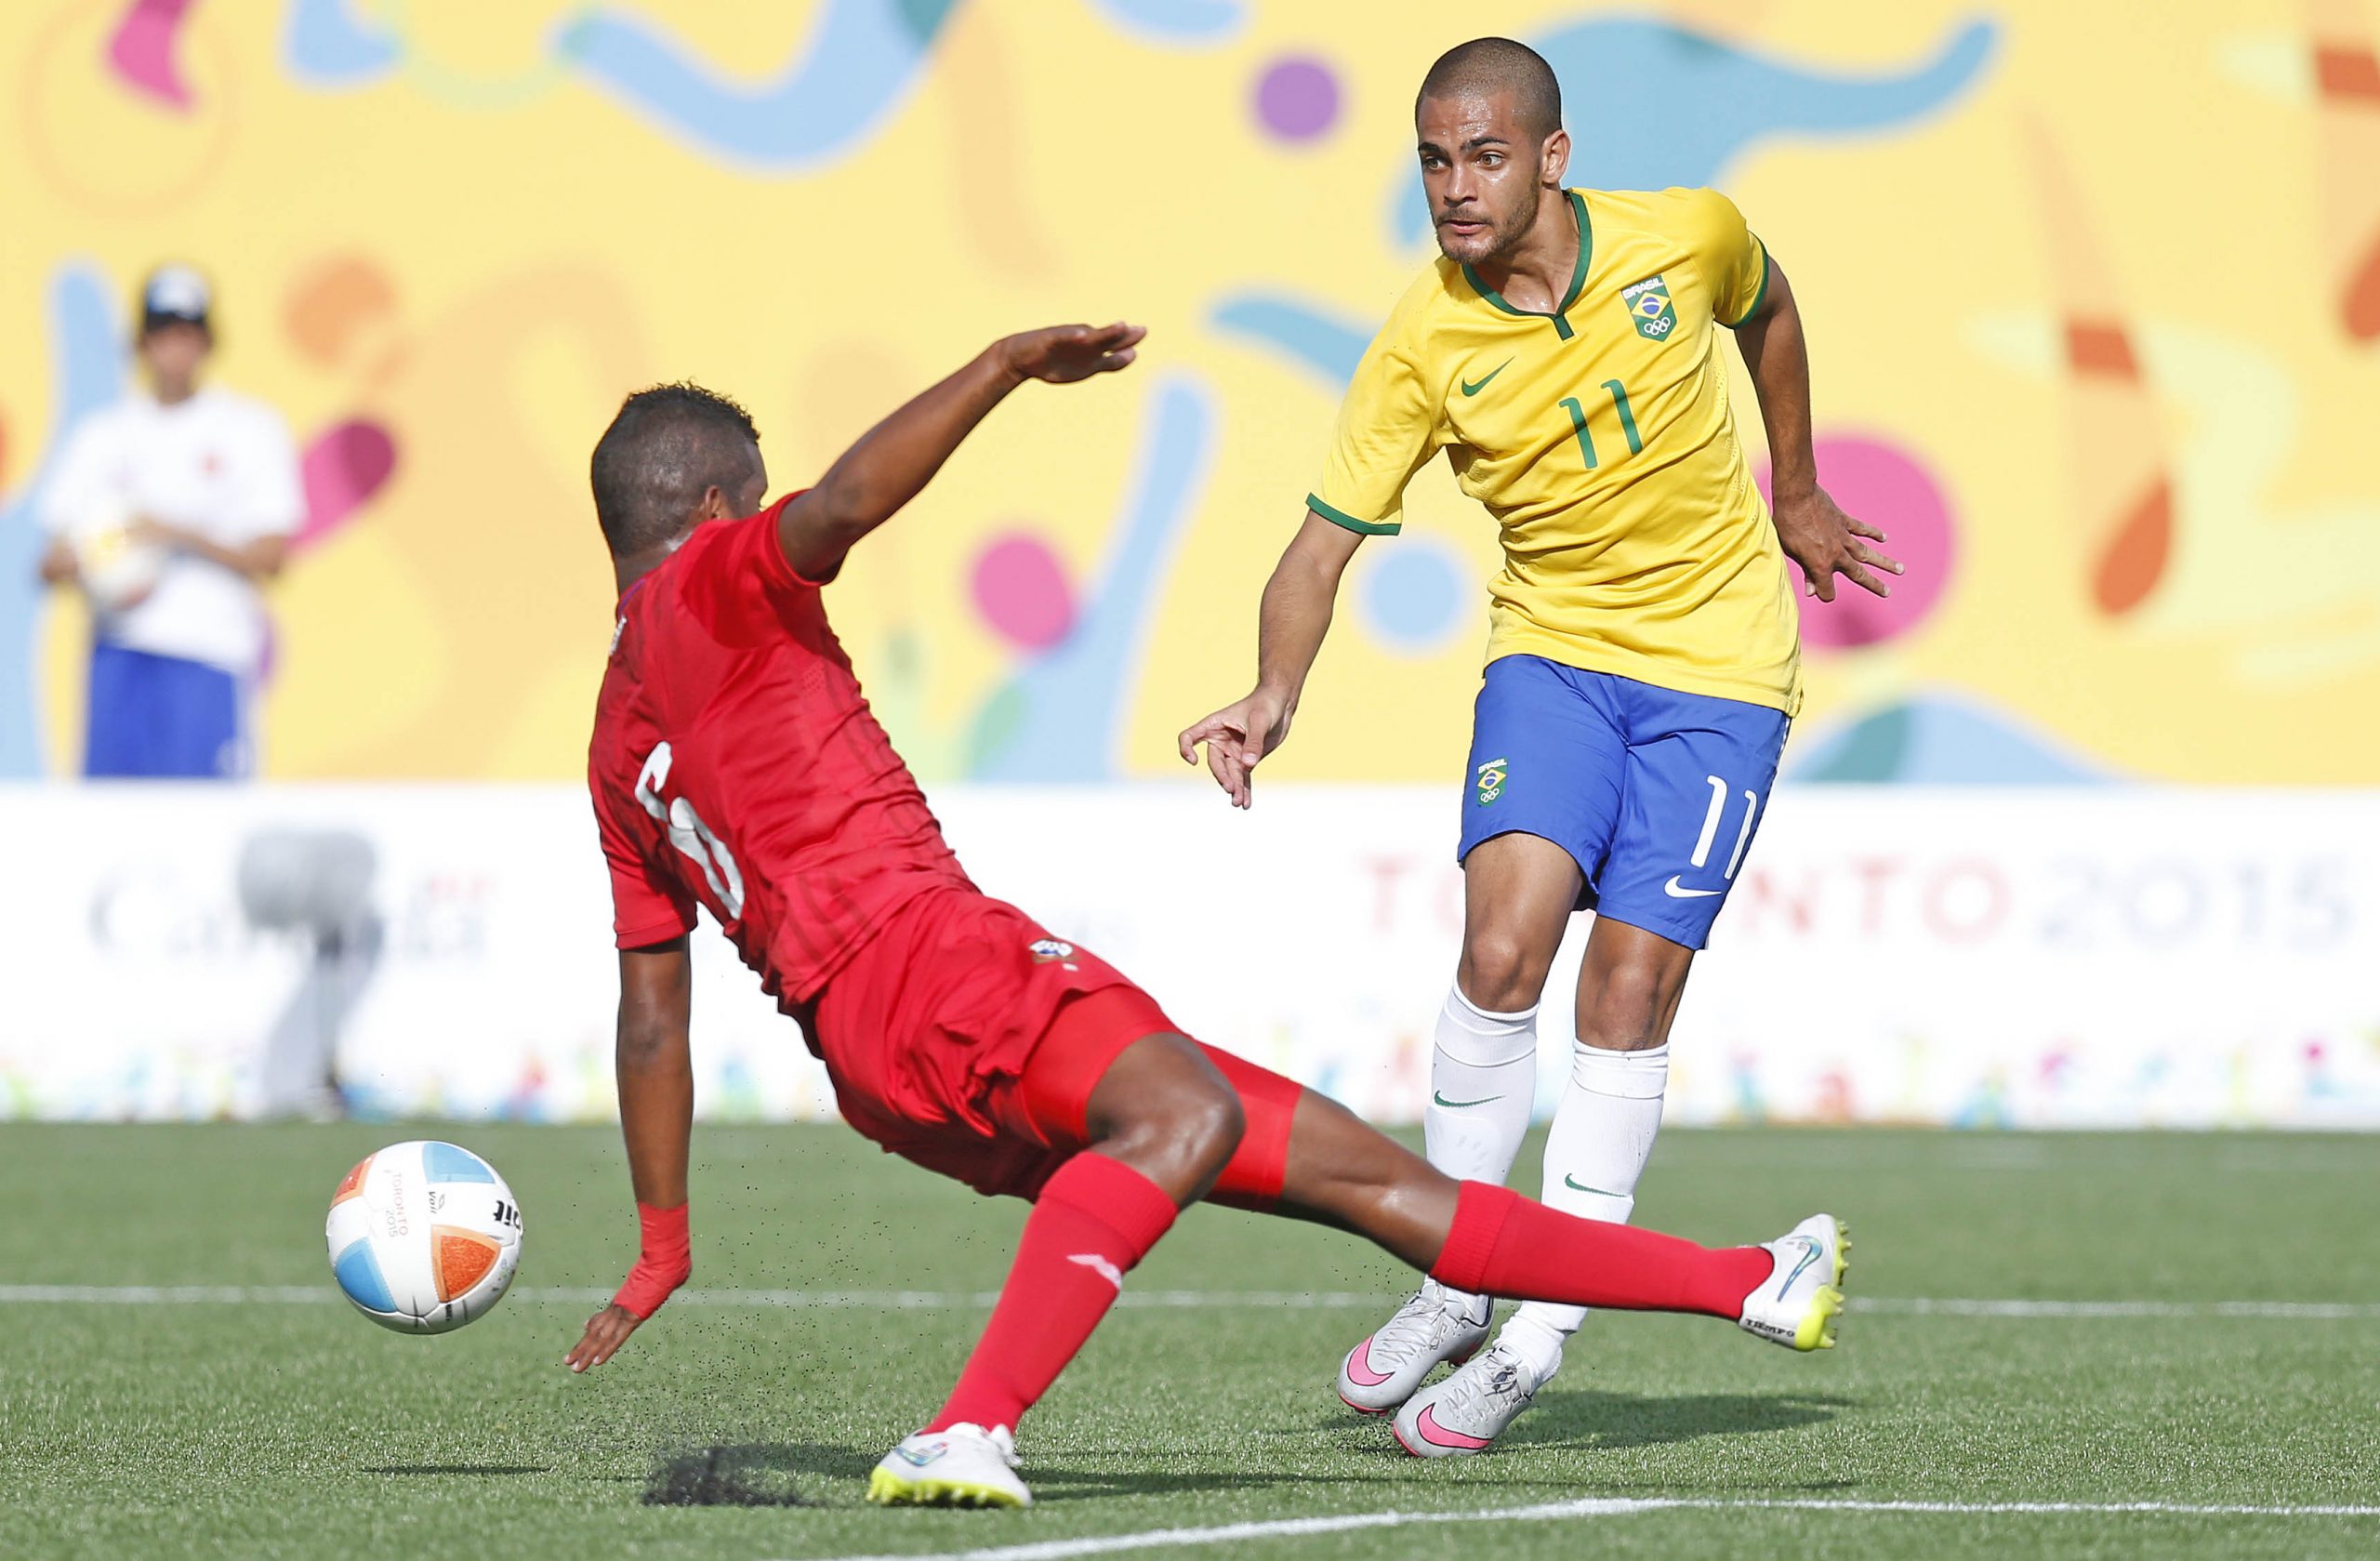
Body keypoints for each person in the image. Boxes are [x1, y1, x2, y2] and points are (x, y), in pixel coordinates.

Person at [568, 322, 1850, 1508]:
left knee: (1380, 1181)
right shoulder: (717, 580)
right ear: (719, 509)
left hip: (867, 1058)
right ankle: (966, 1426)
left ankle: (1746, 1279)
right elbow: (845, 504)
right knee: (1184, 1115)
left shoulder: (616, 743)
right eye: (758, 504)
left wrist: (662, 1240)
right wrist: (1001, 368)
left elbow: (650, 1015)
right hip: (939, 965)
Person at [1177, 38, 1902, 1455]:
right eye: (1433, 160)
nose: (1454, 186)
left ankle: (1536, 1335)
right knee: (1501, 951)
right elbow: (1318, 548)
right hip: (1554, 658)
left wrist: (1799, 486)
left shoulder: (1685, 236)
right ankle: (1459, 1274)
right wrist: (1271, 690)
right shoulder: (1422, 342)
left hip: (1719, 676)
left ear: (1553, 159)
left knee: (1627, 990)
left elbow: (1770, 305)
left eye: (1485, 156)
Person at [36, 264, 302, 779]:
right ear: (141, 344)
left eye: (186, 335)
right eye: (161, 336)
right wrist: (112, 555)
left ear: (207, 342)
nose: (174, 351)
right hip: (119, 655)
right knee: (112, 818)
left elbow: (272, 553)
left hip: (207, 653)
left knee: (203, 818)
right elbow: (52, 561)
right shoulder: (103, 435)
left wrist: (173, 535)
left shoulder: (250, 429)